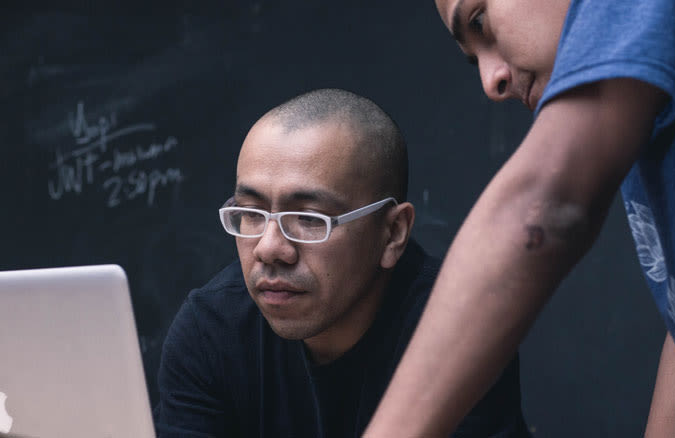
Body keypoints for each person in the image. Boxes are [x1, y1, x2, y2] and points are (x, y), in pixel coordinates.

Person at [365, 0, 675, 436]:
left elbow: (543, 209)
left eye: (479, 23)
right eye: (474, 60)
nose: (491, 81)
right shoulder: (642, 109)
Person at [153, 88, 529, 437]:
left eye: (309, 219)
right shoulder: (212, 331)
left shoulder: (461, 331)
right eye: (251, 214)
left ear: (393, 232)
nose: (269, 249)